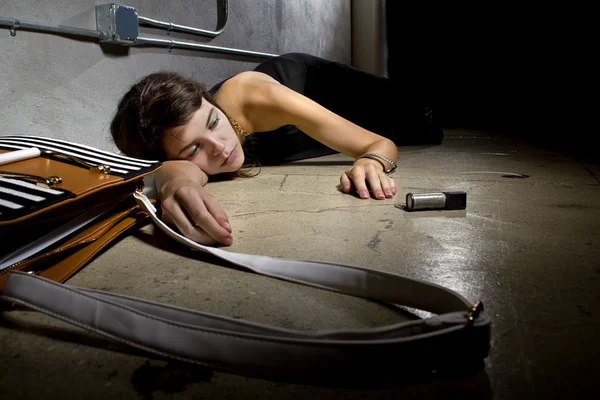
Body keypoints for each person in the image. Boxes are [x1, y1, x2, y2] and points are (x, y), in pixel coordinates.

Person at [110, 53, 443, 246]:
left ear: (209, 101)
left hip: (332, 91)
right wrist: (174, 179)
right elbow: (175, 172)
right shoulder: (178, 154)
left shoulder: (254, 98)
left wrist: (371, 161)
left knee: (426, 120)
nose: (220, 146)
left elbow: (378, 143)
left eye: (213, 122)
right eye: (195, 148)